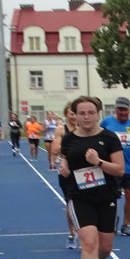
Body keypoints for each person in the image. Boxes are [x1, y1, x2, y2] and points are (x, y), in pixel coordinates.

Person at [57, 96, 124, 259]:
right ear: (74, 115)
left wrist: (99, 162)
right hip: (79, 196)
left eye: (91, 112)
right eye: (82, 113)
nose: (86, 117)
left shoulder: (109, 137)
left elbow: (120, 169)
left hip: (106, 197)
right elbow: (66, 157)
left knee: (105, 246)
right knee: (88, 242)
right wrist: (64, 166)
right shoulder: (69, 139)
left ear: (98, 114)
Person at [100, 96, 130, 237]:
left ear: (129, 109)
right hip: (112, 168)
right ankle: (112, 219)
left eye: (125, 109)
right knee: (111, 197)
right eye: (120, 109)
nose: (123, 112)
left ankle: (126, 224)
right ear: (115, 109)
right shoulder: (107, 122)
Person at [51, 101, 82, 249]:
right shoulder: (60, 130)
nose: (74, 116)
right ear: (66, 115)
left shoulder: (85, 129)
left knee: (84, 204)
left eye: (76, 113)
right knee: (70, 204)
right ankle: (72, 234)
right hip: (66, 172)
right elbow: (55, 149)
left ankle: (83, 233)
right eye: (71, 114)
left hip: (83, 172)